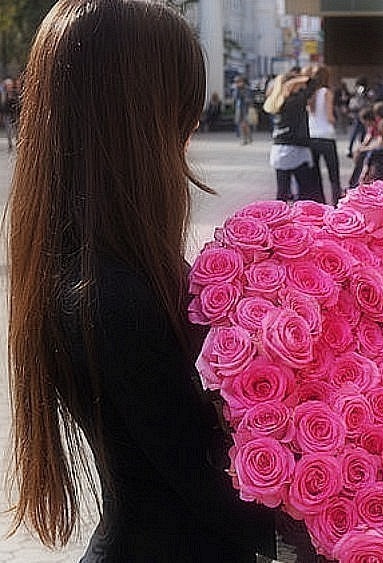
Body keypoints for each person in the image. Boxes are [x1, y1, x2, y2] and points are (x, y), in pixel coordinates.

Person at [6, 1, 276, 561]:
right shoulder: (113, 296)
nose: (192, 129)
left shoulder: (100, 266)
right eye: (183, 111)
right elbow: (213, 490)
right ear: (139, 119)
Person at [263, 69, 323, 203]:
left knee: (282, 191)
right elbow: (313, 83)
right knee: (305, 191)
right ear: (292, 85)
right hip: (296, 148)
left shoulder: (276, 102)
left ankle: (280, 214)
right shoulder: (295, 101)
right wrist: (297, 80)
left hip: (279, 149)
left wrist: (290, 82)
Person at [308, 64, 342, 206]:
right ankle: (336, 204)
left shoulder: (310, 94)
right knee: (333, 175)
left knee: (315, 176)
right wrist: (336, 120)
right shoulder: (327, 92)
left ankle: (318, 204)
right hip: (326, 137)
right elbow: (329, 117)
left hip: (312, 136)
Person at [346, 77, 370, 157]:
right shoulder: (362, 89)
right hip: (361, 112)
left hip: (358, 113)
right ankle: (357, 149)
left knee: (357, 132)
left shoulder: (360, 89)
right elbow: (362, 98)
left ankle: (355, 149)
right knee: (359, 132)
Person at [233, 75, 253, 144]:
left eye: (238, 82)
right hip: (239, 109)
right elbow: (235, 97)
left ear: (242, 82)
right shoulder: (237, 89)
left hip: (245, 109)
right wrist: (237, 90)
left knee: (244, 124)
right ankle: (248, 138)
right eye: (236, 82)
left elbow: (248, 99)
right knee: (242, 125)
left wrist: (243, 96)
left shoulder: (247, 89)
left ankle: (245, 139)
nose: (237, 83)